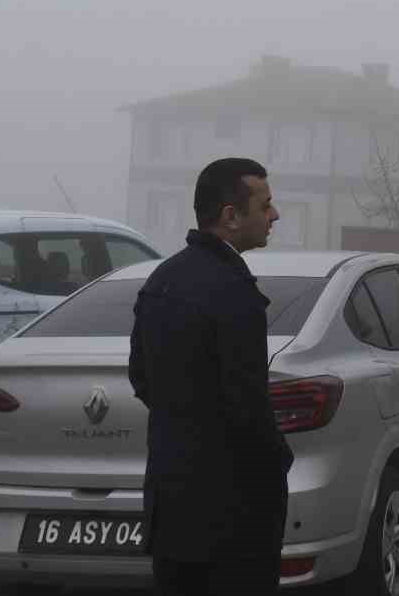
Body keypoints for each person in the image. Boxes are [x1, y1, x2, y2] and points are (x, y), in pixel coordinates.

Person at [129, 157, 289, 596]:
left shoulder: (162, 279)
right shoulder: (234, 292)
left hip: (171, 505)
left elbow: (141, 377)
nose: (275, 215)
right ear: (231, 216)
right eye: (265, 205)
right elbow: (247, 406)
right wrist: (277, 461)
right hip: (232, 518)